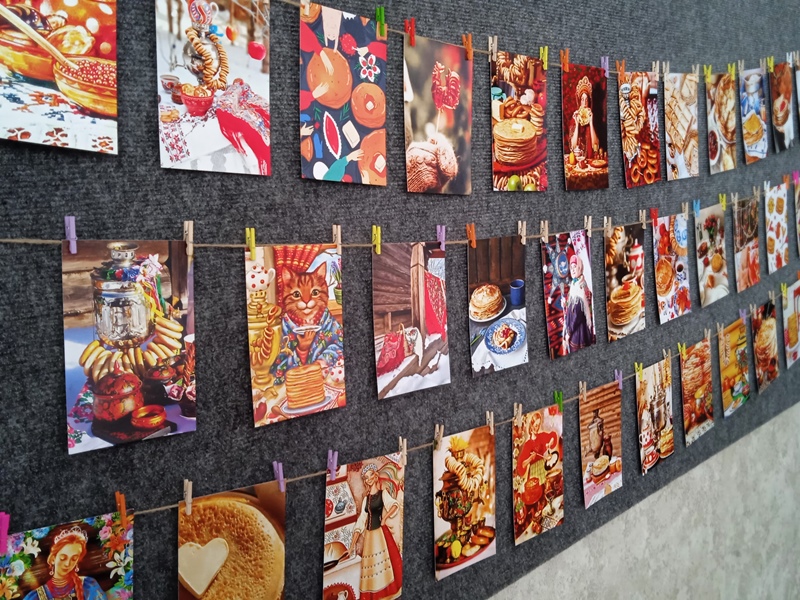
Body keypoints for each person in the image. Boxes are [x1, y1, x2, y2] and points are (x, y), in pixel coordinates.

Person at [348, 464, 402, 600]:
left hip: (380, 534)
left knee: (383, 565)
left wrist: (384, 517)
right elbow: (361, 521)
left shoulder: (383, 494)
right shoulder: (366, 499)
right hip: (369, 537)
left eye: (370, 476)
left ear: (375, 475)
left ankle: (387, 594)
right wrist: (352, 545)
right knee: (372, 569)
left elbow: (394, 505)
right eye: (366, 478)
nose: (368, 479)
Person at [25, 526, 107, 600]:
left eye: (74, 559)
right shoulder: (35, 596)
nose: (67, 564)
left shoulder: (88, 586)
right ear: (53, 559)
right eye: (63, 558)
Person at [563, 254, 594, 353]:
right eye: (571, 267)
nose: (572, 270)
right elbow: (571, 305)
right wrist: (565, 304)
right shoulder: (574, 284)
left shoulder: (582, 287)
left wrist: (569, 333)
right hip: (573, 329)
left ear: (580, 268)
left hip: (578, 333)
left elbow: (577, 315)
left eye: (575, 267)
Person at [569, 76, 599, 158]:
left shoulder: (593, 119)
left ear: (589, 102)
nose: (584, 103)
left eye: (586, 100)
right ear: (579, 102)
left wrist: (591, 123)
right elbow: (573, 147)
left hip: (590, 160)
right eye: (582, 99)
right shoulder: (574, 119)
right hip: (578, 159)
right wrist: (577, 124)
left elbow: (596, 146)